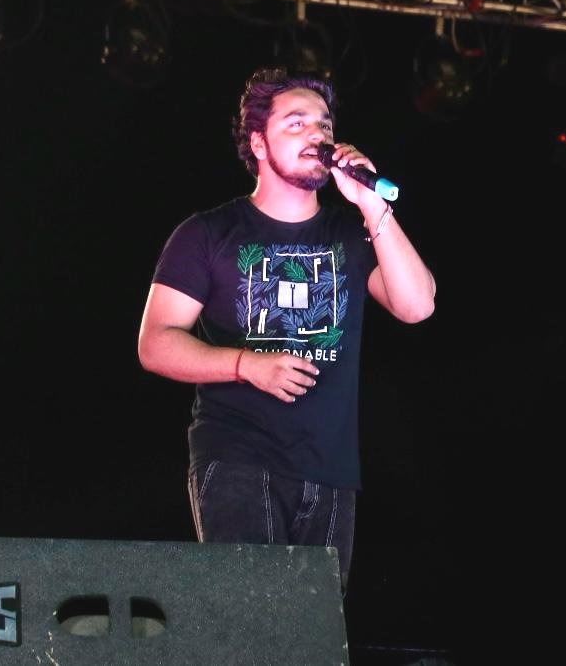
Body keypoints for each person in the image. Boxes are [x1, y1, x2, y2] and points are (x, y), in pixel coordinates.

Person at [137, 67, 436, 594]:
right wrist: (245, 365)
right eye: (296, 123)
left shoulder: (350, 233)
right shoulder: (208, 233)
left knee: (314, 631)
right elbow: (156, 342)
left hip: (331, 469)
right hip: (238, 459)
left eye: (324, 124)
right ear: (258, 143)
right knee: (253, 623)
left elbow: (417, 306)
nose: (317, 134)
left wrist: (371, 206)